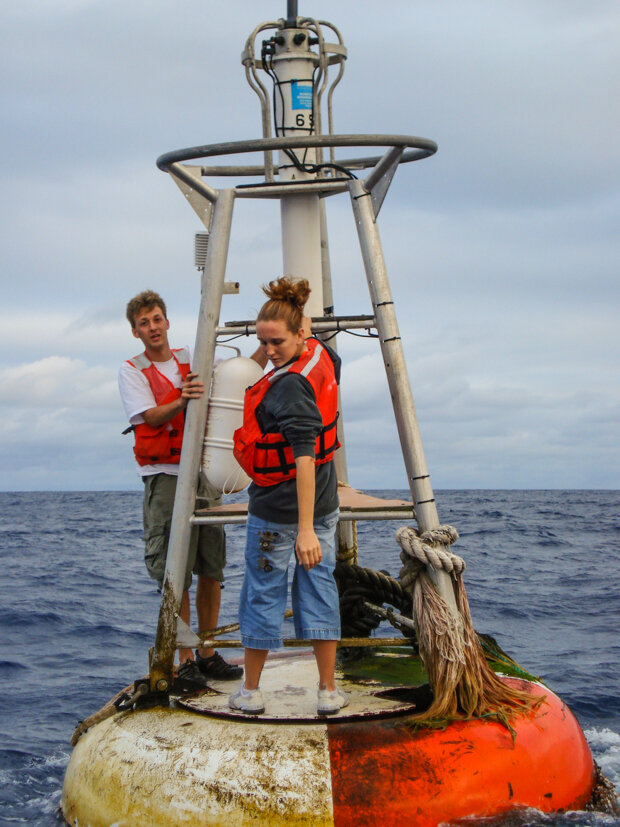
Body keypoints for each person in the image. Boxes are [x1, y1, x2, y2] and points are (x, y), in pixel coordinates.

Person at [229, 276, 348, 716]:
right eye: (262, 343)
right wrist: (298, 322)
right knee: (320, 590)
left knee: (263, 592)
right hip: (324, 507)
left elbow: (302, 459)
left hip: (283, 515)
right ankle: (328, 691)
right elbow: (306, 337)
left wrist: (304, 532)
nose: (268, 352)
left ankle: (252, 692)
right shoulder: (322, 356)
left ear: (298, 333)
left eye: (275, 342)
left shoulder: (287, 386)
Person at [118, 289, 244, 691]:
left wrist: (265, 344)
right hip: (166, 477)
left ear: (167, 322)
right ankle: (185, 658)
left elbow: (240, 371)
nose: (152, 327)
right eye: (144, 323)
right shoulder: (131, 371)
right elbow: (149, 417)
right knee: (176, 573)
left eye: (157, 319)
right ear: (135, 331)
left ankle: (207, 652)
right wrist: (183, 399)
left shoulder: (197, 357)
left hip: (204, 476)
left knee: (212, 568)